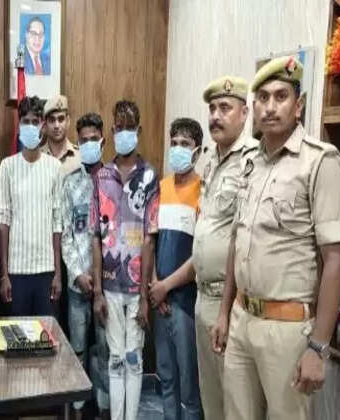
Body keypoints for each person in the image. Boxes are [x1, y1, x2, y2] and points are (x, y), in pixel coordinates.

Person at [211, 56, 340, 420]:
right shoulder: (250, 163)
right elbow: (237, 240)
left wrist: (318, 347)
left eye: (281, 96)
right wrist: (224, 312)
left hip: (287, 330)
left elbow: (335, 260)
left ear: (298, 105)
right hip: (242, 318)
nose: (270, 107)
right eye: (263, 98)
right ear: (253, 107)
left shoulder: (320, 162)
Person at [191, 75, 257, 420]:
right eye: (213, 108)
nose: (216, 116)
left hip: (227, 303)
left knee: (235, 404)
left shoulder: (253, 160)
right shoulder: (211, 159)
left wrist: (225, 311)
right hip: (203, 296)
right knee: (211, 401)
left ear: (244, 113)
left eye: (225, 108)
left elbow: (240, 240)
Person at [92, 100, 158, 420]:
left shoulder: (150, 177)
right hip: (109, 287)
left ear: (139, 130)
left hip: (136, 289)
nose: (124, 133)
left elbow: (149, 238)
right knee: (115, 360)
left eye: (130, 128)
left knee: (134, 359)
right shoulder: (101, 176)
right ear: (112, 130)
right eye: (119, 128)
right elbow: (95, 236)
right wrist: (97, 293)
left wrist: (145, 296)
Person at [148, 118, 203, 420]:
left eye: (185, 144)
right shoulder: (161, 188)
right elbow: (152, 242)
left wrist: (165, 287)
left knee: (189, 387)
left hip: (186, 302)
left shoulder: (203, 191)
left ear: (198, 151)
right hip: (160, 302)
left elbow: (201, 256)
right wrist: (155, 285)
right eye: (174, 143)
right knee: (166, 378)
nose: (178, 149)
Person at [62, 112, 109, 418]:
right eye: (84, 140)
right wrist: (79, 273)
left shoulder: (114, 181)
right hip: (78, 285)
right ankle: (77, 412)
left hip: (109, 286)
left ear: (103, 142)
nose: (89, 144)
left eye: (94, 139)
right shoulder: (70, 184)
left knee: (106, 352)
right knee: (77, 350)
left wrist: (101, 278)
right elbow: (66, 234)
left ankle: (104, 410)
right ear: (77, 144)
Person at [0, 96, 62, 316]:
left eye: (36, 121)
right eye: (26, 121)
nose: (31, 126)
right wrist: (4, 275)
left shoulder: (54, 167)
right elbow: (4, 222)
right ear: (19, 125)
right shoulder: (7, 167)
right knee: (18, 334)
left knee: (45, 333)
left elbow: (57, 221)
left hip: (46, 270)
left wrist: (58, 274)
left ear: (43, 125)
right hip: (16, 271)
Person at [41, 95, 79, 168]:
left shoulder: (80, 157)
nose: (56, 126)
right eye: (52, 120)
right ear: (45, 124)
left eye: (61, 119)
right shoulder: (38, 157)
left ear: (68, 121)